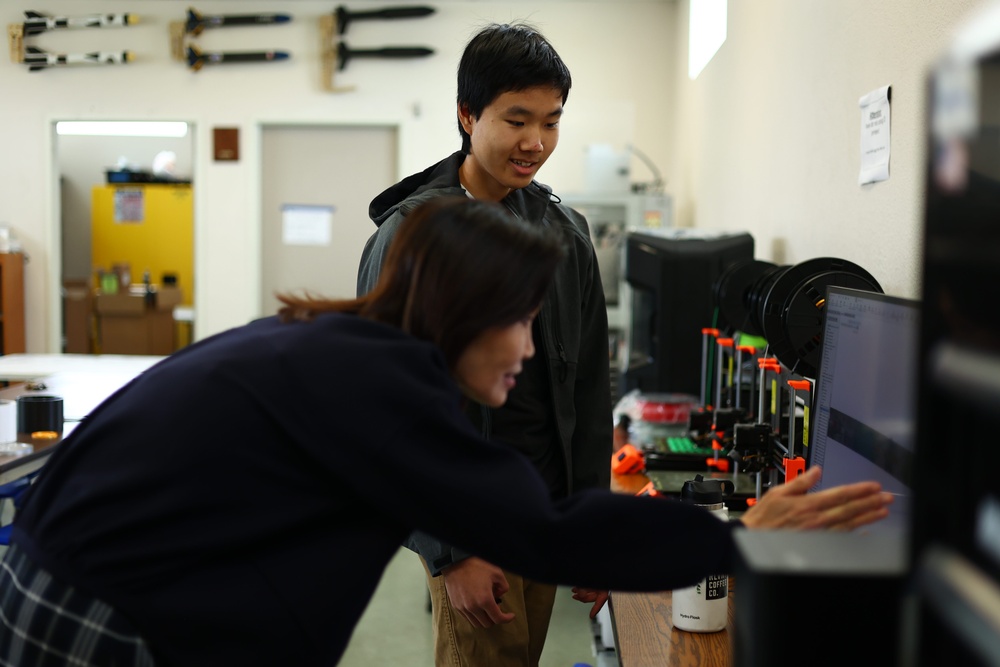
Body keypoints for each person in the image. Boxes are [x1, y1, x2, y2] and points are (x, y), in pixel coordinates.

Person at [0, 198, 892, 667]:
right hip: (101, 612)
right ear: (466, 310)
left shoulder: (340, 347)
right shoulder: (376, 385)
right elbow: (542, 528)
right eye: (523, 320)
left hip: (78, 573)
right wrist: (740, 538)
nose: (535, 346)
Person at [356, 21, 615, 666]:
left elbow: (586, 386)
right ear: (468, 116)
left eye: (551, 122)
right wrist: (451, 552)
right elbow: (387, 408)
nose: (535, 143)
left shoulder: (566, 233)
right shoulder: (414, 235)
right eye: (517, 119)